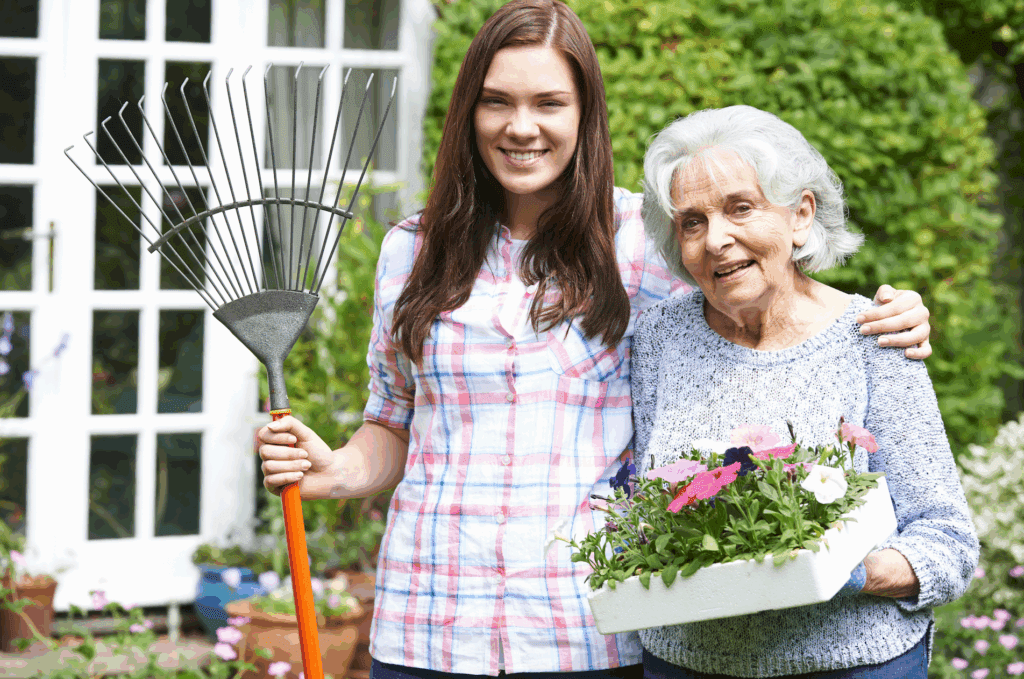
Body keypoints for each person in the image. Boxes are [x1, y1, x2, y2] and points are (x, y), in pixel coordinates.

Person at [257, 2, 933, 677]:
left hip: (588, 630)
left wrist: (881, 316)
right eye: (497, 101)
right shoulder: (411, 249)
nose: (521, 126)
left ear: (585, 115)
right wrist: (337, 469)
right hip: (426, 625)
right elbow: (394, 422)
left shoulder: (645, 241)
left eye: (549, 103)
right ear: (469, 112)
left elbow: (768, 307)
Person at [630, 105, 978, 679]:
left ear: (800, 215)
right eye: (692, 222)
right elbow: (646, 508)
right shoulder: (660, 337)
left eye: (741, 208)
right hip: (684, 665)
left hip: (853, 666)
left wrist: (842, 571)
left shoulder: (875, 336)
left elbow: (948, 542)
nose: (716, 239)